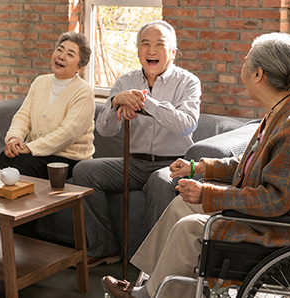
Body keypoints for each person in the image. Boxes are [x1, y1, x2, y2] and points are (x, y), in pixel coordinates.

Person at [101, 32, 290, 298]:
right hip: (271, 218)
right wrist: (200, 168)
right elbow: (250, 165)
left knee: (189, 227)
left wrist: (207, 193)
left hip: (283, 231)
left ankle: (148, 296)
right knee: (181, 204)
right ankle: (155, 284)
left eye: (247, 59)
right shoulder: (281, 111)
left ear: (258, 74)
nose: (243, 64)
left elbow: (274, 201)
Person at [72, 20, 201, 262]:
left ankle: (151, 265)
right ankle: (105, 247)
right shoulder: (125, 82)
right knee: (84, 171)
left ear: (172, 52)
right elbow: (104, 130)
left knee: (160, 181)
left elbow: (187, 125)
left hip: (173, 165)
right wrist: (114, 103)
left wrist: (147, 103)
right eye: (145, 44)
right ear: (138, 51)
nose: (151, 51)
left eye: (160, 45)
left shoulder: (188, 82)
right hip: (134, 163)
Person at [0, 31, 95, 179]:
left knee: (25, 165)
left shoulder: (84, 92)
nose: (61, 56)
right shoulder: (40, 82)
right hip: (36, 152)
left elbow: (67, 133)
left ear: (80, 66)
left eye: (70, 54)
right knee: (6, 156)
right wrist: (14, 138)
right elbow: (23, 116)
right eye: (59, 50)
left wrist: (29, 147)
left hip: (68, 158)